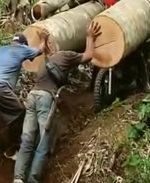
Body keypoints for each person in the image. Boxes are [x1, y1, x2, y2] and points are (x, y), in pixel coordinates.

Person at [13, 21, 102, 183]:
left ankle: (18, 179)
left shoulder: (46, 61)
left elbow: (46, 50)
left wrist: (43, 40)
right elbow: (88, 56)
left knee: (27, 139)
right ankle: (33, 179)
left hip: (32, 96)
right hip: (46, 98)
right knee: (43, 141)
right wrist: (90, 37)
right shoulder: (66, 55)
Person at [0, 32, 49, 183]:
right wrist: (43, 39)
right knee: (22, 113)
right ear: (23, 44)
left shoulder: (1, 49)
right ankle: (14, 149)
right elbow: (39, 50)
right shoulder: (21, 49)